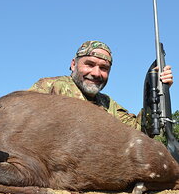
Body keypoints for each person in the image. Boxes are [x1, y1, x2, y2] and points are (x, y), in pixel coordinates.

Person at [28, 40, 173, 130]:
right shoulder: (49, 86)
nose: (97, 73)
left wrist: (155, 91)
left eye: (104, 68)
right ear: (73, 64)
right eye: (89, 64)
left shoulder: (108, 104)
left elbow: (141, 131)